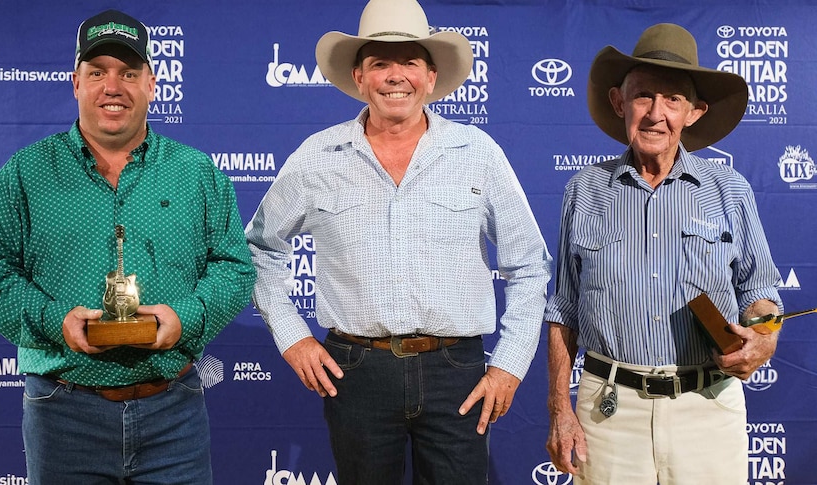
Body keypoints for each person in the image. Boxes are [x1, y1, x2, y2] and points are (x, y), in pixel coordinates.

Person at [245, 0, 551, 482]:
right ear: (359, 78)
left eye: (409, 61)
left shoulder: (476, 152)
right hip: (356, 371)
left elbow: (530, 265)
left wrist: (509, 364)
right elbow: (260, 249)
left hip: (457, 371)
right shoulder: (318, 156)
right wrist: (293, 338)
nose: (395, 76)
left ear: (430, 77)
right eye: (380, 63)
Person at [0, 9, 255, 485]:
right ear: (76, 82)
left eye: (128, 73)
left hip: (173, 412)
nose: (112, 87)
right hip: (62, 413)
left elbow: (234, 268)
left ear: (152, 84)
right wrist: (53, 320)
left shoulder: (197, 173)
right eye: (97, 72)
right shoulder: (25, 173)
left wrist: (188, 316)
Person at [544, 23, 783, 484]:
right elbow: (564, 310)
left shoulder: (728, 189)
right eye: (643, 96)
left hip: (708, 409)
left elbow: (760, 292)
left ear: (694, 112)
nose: (656, 113)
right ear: (619, 103)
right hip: (607, 413)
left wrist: (765, 337)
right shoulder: (584, 190)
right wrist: (560, 407)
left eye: (673, 99)